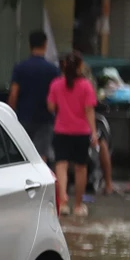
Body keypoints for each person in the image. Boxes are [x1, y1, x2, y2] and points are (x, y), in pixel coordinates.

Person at [47, 49, 97, 218]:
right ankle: (77, 205)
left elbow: (51, 107)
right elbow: (89, 110)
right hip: (81, 132)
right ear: (80, 66)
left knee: (61, 166)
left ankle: (63, 203)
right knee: (80, 168)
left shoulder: (56, 84)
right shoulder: (86, 86)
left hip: (61, 130)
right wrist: (95, 134)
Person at [8, 30, 59, 162]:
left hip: (23, 117)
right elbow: (56, 98)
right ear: (45, 44)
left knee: (22, 155)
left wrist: (11, 113)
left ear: (29, 45)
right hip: (45, 119)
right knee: (41, 155)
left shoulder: (20, 68)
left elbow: (14, 93)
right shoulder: (53, 70)